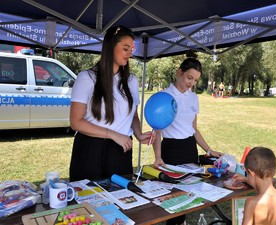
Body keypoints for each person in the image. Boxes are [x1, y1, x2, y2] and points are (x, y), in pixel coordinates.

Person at [69, 25, 152, 182]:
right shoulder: (87, 77)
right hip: (91, 149)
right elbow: (75, 122)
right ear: (110, 47)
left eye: (132, 49)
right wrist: (113, 135)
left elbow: (133, 115)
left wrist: (138, 133)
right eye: (125, 48)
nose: (130, 53)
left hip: (121, 150)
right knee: (88, 201)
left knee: (121, 198)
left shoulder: (132, 80)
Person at [152, 52, 223, 225]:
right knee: (173, 198)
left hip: (189, 149)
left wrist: (208, 150)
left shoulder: (193, 97)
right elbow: (157, 131)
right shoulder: (164, 96)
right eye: (189, 78)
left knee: (189, 195)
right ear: (179, 72)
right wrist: (158, 157)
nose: (191, 83)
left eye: (195, 80)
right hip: (171, 150)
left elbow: (194, 128)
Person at [233, 147, 276, 225]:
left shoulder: (252, 203)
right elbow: (259, 181)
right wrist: (246, 179)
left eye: (247, 174)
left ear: (251, 173)